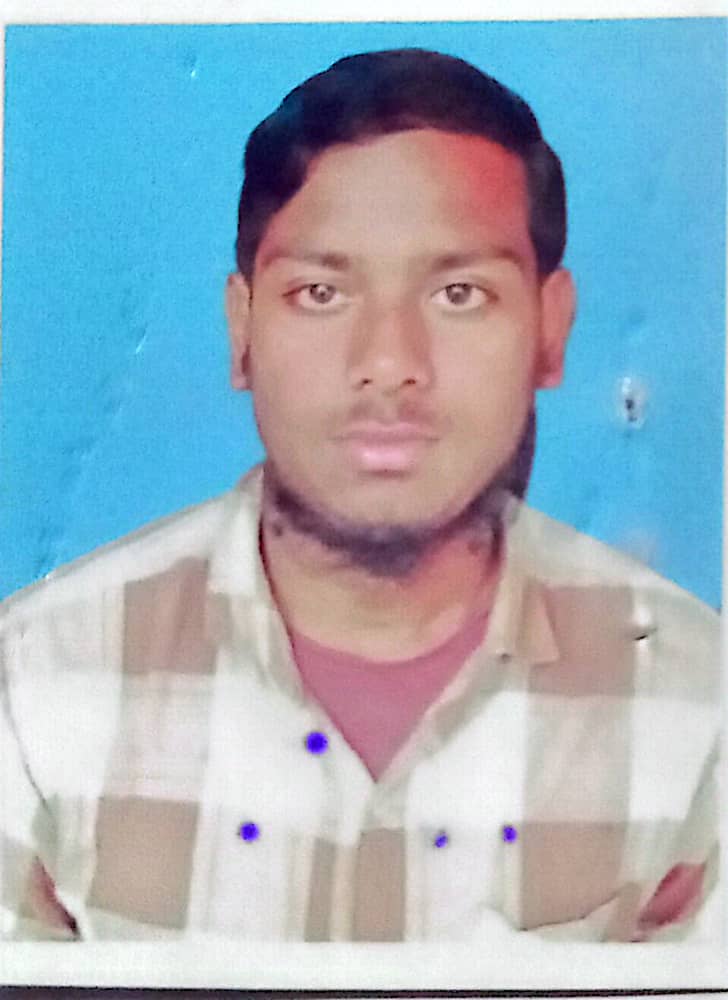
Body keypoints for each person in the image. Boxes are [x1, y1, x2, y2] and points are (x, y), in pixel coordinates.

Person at [0, 48, 719, 943]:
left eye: (459, 293)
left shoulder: (700, 703)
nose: (388, 363)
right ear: (242, 329)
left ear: (550, 328)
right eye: (320, 292)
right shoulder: (32, 686)